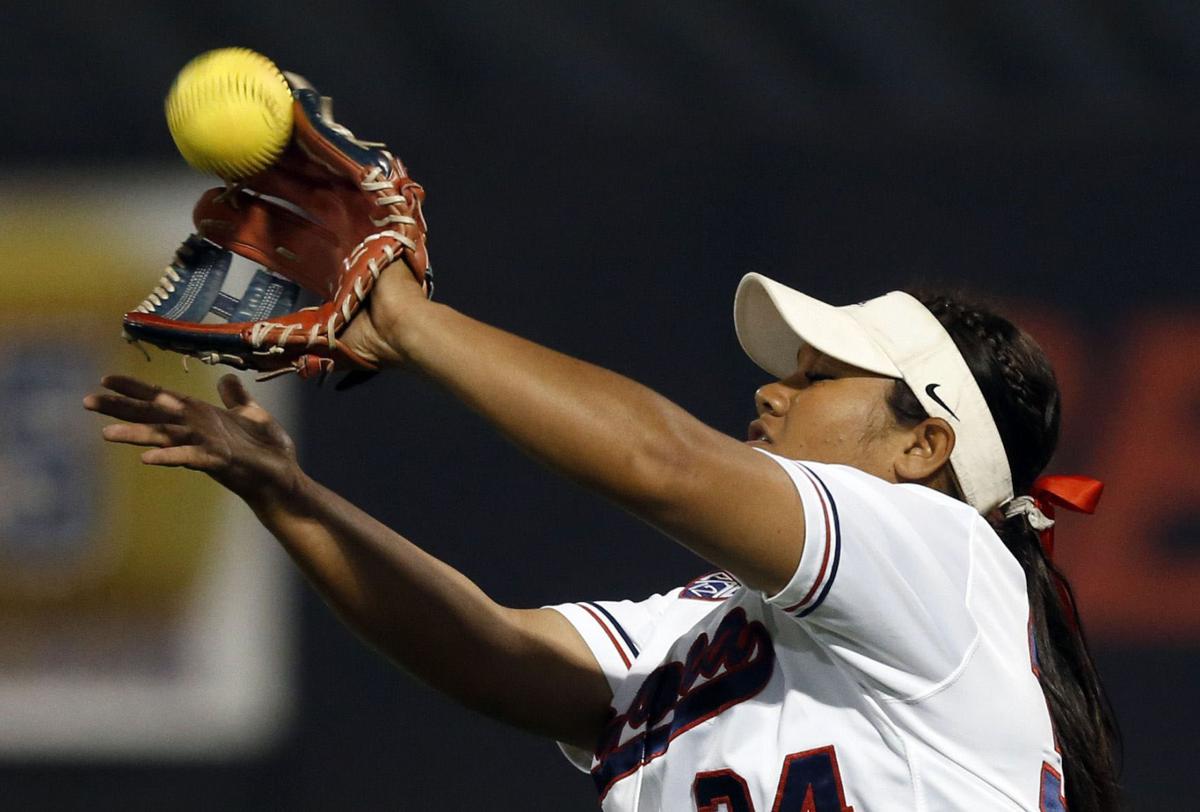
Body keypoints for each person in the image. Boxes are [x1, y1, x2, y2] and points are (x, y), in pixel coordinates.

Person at [84, 262, 1121, 810]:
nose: (772, 387)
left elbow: (660, 461)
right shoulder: (715, 615)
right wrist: (290, 496)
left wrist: (407, 320)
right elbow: (490, 648)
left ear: (924, 444)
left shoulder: (945, 554)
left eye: (816, 376)